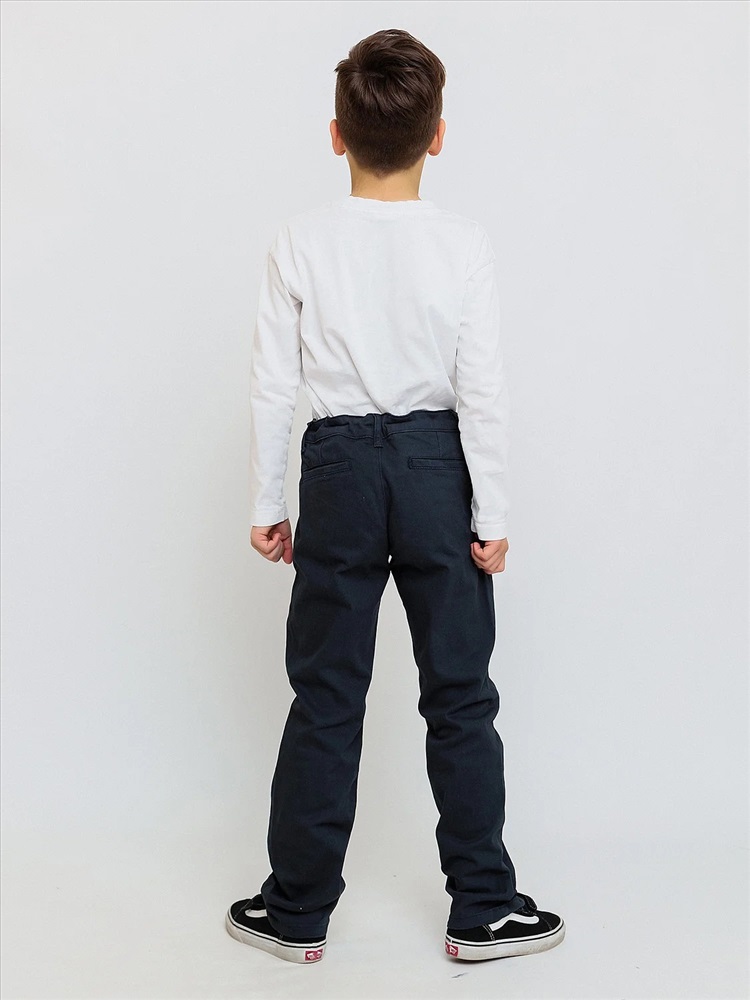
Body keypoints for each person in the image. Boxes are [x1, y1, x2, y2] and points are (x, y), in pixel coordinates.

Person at [225, 27, 565, 965]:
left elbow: (272, 384)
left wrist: (266, 501)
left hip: (336, 469)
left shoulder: (299, 240)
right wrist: (491, 516)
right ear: (438, 136)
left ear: (335, 134)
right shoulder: (462, 244)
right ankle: (482, 907)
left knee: (326, 694)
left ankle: (297, 911)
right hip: (433, 469)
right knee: (460, 693)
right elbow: (483, 389)